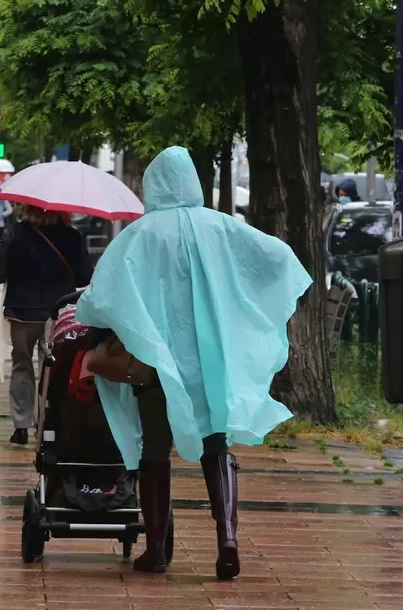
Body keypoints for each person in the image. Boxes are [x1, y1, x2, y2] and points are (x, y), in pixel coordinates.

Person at [75, 146, 310, 581]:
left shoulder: (139, 235)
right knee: (216, 444)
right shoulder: (222, 228)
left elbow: (101, 297)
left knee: (154, 452)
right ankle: (227, 538)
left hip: (155, 367)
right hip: (211, 365)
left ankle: (157, 551)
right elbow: (278, 259)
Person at [0, 205, 93, 445]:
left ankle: (21, 425)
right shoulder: (72, 236)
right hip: (58, 315)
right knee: (54, 369)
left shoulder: (16, 233)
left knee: (21, 366)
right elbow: (85, 277)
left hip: (22, 313)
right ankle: (48, 423)